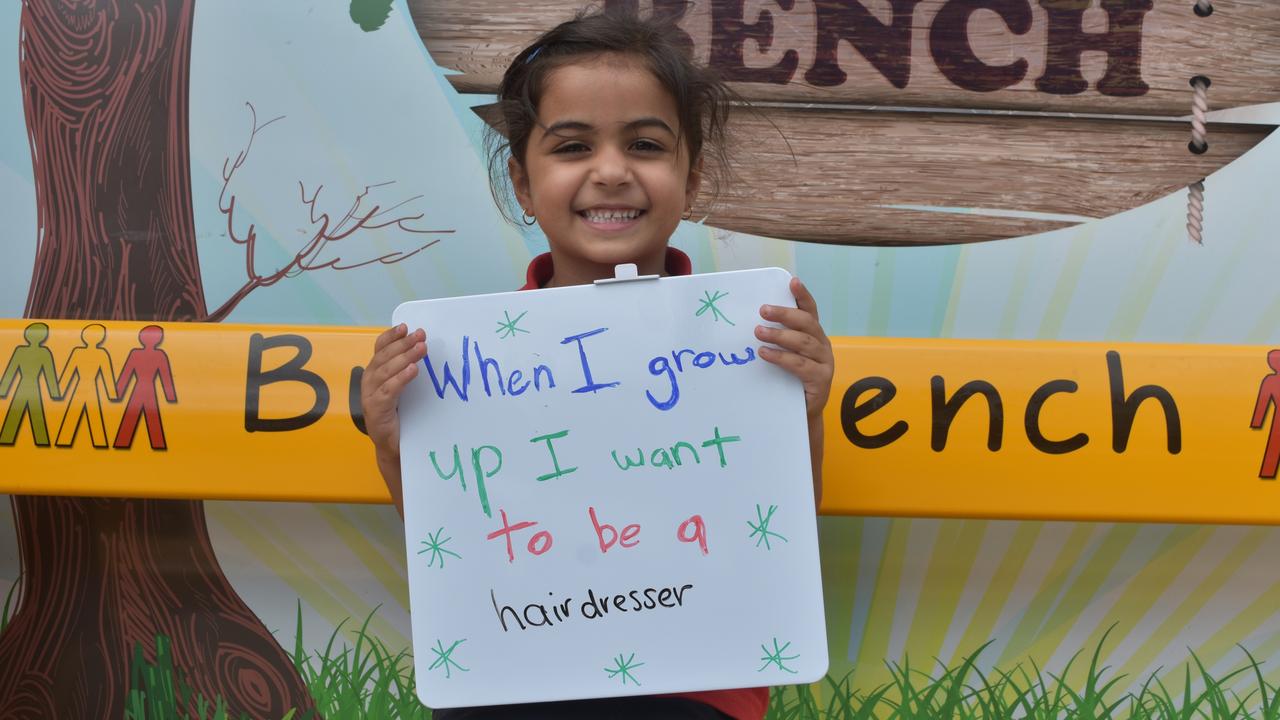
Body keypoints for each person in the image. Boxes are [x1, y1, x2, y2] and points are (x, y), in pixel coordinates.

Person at [360, 7, 834, 719]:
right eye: (573, 147)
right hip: (517, 672)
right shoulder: (460, 359)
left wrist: (805, 406)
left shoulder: (754, 333)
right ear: (523, 183)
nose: (610, 172)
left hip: (696, 682)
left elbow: (782, 525)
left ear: (691, 176)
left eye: (645, 144)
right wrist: (397, 447)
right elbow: (453, 544)